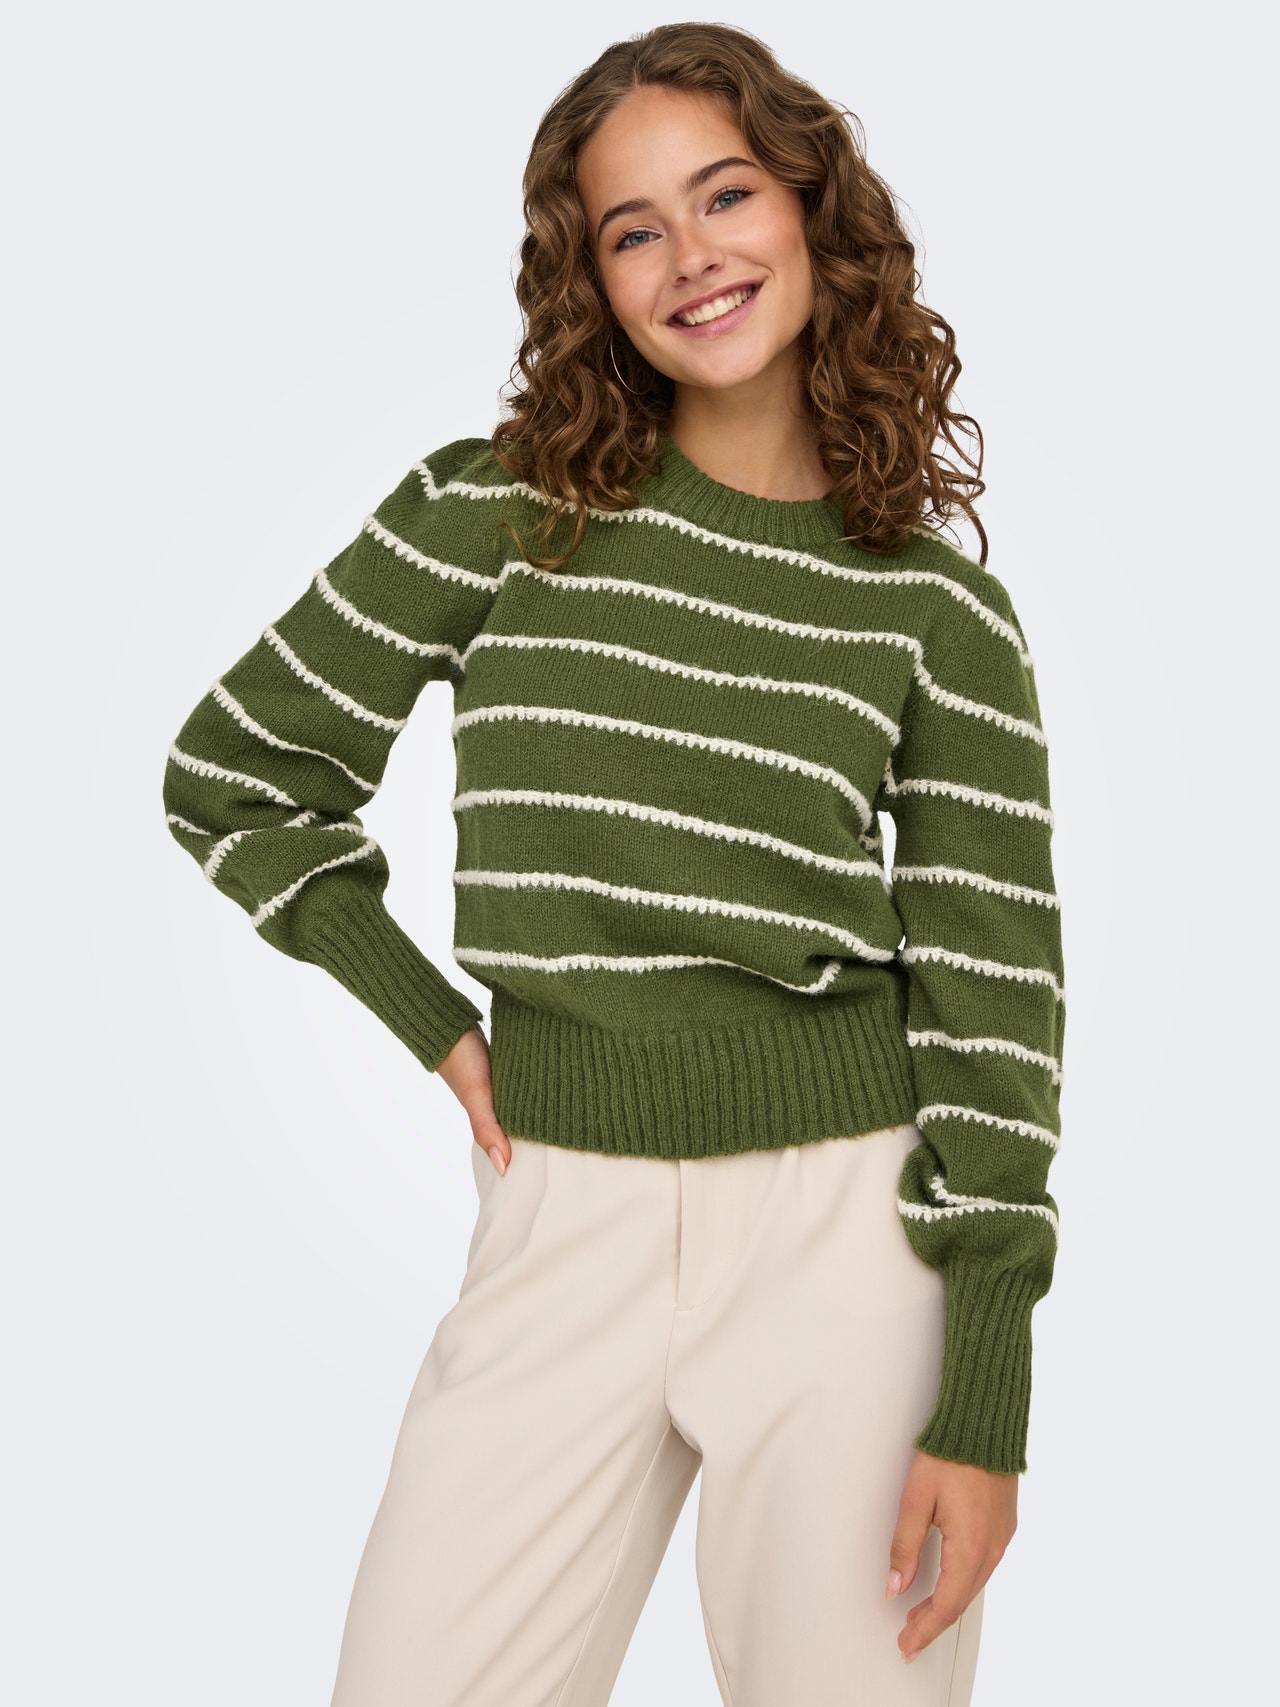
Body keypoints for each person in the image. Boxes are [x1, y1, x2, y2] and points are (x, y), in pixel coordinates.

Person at [162, 21, 1065, 1707]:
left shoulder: (938, 611)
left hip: (848, 1236)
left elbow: (995, 1004)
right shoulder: (497, 513)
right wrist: (435, 1023)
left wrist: (988, 1393)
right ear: (592, 283)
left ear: (814, 213)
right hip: (559, 1210)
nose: (691, 254)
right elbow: (236, 774)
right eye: (633, 229)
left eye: (727, 195)